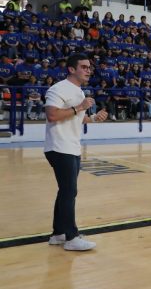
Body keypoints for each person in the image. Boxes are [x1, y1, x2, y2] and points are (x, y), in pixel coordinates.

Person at [44, 53, 108, 251]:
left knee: (65, 191)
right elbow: (52, 114)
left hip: (71, 147)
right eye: (84, 67)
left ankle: (58, 234)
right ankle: (71, 237)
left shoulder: (79, 92)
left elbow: (78, 118)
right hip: (59, 146)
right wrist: (80, 107)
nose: (88, 70)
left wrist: (94, 118)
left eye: (89, 67)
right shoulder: (58, 89)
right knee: (69, 191)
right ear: (71, 69)